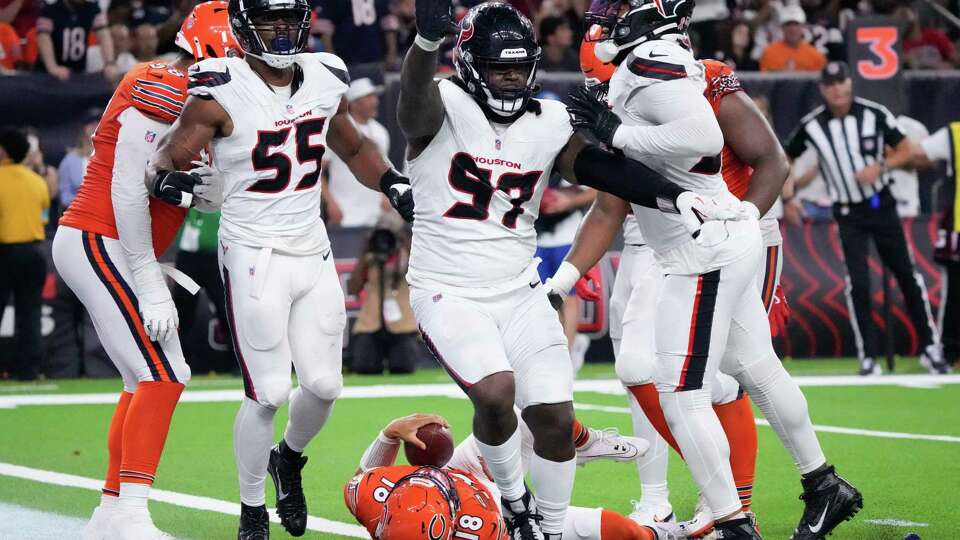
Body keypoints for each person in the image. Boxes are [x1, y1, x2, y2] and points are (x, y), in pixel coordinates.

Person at [397, 1, 734, 537]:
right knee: (494, 392)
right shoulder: (441, 102)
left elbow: (600, 169)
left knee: (554, 419)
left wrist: (673, 194)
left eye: (518, 66)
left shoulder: (549, 118)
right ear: (468, 65)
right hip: (448, 290)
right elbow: (410, 113)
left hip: (519, 289)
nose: (509, 78)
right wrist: (424, 44)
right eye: (497, 67)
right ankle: (514, 502)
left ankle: (549, 530)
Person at [565, 1, 862, 537]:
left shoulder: (651, 63)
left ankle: (730, 520)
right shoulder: (654, 65)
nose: (598, 57)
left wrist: (620, 135)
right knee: (756, 367)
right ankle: (823, 484)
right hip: (706, 238)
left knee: (683, 392)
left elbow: (708, 141)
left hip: (703, 244)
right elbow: (615, 197)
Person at [145, 0, 417, 536]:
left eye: (289, 19)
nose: (281, 30)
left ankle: (286, 459)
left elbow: (354, 147)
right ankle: (251, 508)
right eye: (269, 19)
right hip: (252, 251)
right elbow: (164, 159)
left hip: (310, 246)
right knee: (268, 392)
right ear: (244, 27)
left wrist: (392, 181)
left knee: (324, 385)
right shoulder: (217, 89)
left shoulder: (323, 75)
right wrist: (165, 182)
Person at [563, 44, 789, 535]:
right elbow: (608, 206)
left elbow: (762, 157)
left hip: (704, 242)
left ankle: (734, 502)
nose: (602, 90)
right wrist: (563, 279)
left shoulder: (696, 84)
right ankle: (663, 498)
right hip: (649, 246)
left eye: (605, 77)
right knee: (642, 373)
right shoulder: (624, 98)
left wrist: (747, 223)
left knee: (722, 375)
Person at [51, 3, 238, 538]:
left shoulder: (205, 100)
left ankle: (110, 512)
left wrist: (198, 191)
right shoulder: (160, 83)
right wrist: (150, 281)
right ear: (215, 49)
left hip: (115, 242)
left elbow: (172, 188)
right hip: (101, 236)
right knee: (165, 372)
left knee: (143, 377)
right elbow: (126, 189)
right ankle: (129, 511)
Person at [784, 61, 948, 376]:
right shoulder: (812, 125)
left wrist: (881, 168)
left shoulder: (874, 113)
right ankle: (868, 356)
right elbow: (784, 158)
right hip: (847, 212)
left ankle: (929, 346)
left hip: (881, 204)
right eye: (830, 84)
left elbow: (905, 149)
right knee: (858, 283)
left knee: (906, 275)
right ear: (822, 89)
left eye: (841, 82)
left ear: (850, 83)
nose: (837, 89)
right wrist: (789, 198)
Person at [345, 413, 682, 540]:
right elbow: (517, 517)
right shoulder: (480, 529)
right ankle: (661, 533)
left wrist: (389, 434)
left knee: (523, 409)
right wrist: (508, 485)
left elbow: (366, 474)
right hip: (488, 503)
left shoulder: (369, 494)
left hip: (459, 474)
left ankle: (580, 443)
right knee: (619, 530)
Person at [0, 128, 50, 382]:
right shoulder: (36, 181)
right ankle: (28, 370)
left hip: (5, 252)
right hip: (34, 252)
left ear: (4, 151)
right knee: (30, 312)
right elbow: (44, 210)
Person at [911, 122, 960, 368]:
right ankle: (947, 350)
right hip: (958, 227)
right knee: (955, 293)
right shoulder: (954, 133)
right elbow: (917, 152)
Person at [347, 213, 420, 375]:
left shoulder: (407, 255)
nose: (385, 239)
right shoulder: (371, 256)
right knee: (365, 367)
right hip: (371, 321)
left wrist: (405, 243)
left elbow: (419, 273)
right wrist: (364, 253)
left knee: (402, 367)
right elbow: (353, 289)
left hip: (402, 322)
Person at [323, 77, 392, 228]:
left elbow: (383, 169)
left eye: (374, 96)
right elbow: (317, 172)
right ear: (354, 103)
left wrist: (386, 195)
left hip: (375, 217)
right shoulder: (337, 131)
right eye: (368, 97)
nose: (375, 101)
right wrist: (331, 204)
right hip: (344, 216)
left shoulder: (381, 132)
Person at [36, 0, 116, 80]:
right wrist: (52, 67)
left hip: (78, 72)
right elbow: (44, 38)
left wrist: (109, 63)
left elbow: (104, 36)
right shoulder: (49, 10)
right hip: (47, 74)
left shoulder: (93, 8)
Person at [758, 5, 826, 72]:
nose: (792, 29)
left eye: (796, 24)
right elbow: (766, 81)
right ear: (782, 28)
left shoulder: (816, 56)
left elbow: (822, 81)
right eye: (788, 24)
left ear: (803, 27)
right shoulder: (769, 53)